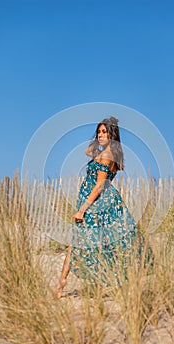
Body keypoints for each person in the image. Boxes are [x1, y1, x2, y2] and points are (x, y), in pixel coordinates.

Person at [54, 116, 139, 298]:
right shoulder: (106, 153)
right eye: (99, 132)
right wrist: (100, 140)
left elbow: (100, 185)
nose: (100, 135)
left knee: (81, 243)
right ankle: (62, 283)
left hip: (95, 203)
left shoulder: (107, 155)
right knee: (80, 242)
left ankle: (62, 284)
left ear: (112, 135)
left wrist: (82, 209)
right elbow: (88, 151)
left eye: (104, 132)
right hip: (94, 201)